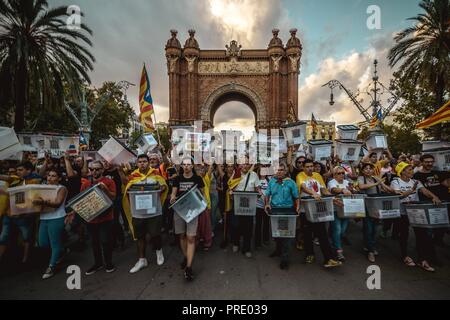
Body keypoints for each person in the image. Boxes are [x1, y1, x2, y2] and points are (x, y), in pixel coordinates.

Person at [119, 154, 168, 273]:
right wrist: (120, 171)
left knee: (155, 234)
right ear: (137, 163)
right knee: (140, 237)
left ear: (148, 162)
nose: (142, 163)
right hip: (138, 213)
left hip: (153, 211)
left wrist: (161, 188)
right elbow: (126, 185)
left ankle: (159, 251)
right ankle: (142, 260)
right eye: (140, 162)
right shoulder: (133, 176)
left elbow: (164, 185)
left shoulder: (155, 173)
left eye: (144, 161)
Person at [67, 160, 117, 275]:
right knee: (94, 242)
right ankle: (98, 263)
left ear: (102, 170)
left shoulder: (108, 181)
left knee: (105, 241)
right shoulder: (85, 184)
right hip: (91, 218)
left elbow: (113, 197)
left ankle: (108, 262)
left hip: (106, 218)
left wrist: (105, 189)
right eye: (92, 169)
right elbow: (81, 200)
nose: (94, 171)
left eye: (97, 169)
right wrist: (73, 213)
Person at [391, 162, 442, 272]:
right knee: (404, 234)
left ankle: (422, 259)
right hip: (402, 212)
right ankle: (405, 256)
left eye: (411, 169)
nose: (411, 171)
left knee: (421, 234)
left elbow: (425, 191)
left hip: (415, 211)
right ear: (402, 171)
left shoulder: (415, 181)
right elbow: (398, 195)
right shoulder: (395, 181)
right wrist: (411, 191)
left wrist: (434, 197)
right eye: (409, 169)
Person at [296, 159, 342, 268]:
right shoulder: (300, 175)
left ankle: (329, 258)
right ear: (303, 167)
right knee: (307, 233)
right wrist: (313, 193)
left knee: (322, 233)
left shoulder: (317, 175)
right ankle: (309, 254)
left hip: (318, 209)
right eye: (307, 166)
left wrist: (332, 198)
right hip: (305, 209)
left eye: (311, 166)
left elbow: (323, 189)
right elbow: (303, 187)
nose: (310, 168)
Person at [170, 157, 205, 281]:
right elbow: (173, 194)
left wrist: (201, 204)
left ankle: (189, 268)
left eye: (188, 164)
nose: (186, 166)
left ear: (192, 166)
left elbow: (202, 195)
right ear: (181, 166)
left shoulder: (198, 179)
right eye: (184, 164)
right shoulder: (177, 179)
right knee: (182, 236)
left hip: (193, 212)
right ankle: (186, 256)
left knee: (191, 237)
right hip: (179, 211)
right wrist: (172, 198)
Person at [0, 161, 42, 265]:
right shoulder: (15, 179)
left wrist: (7, 192)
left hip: (23, 216)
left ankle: (25, 258)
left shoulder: (35, 182)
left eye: (20, 170)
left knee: (26, 237)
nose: (17, 172)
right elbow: (4, 178)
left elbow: (32, 198)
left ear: (29, 170)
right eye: (17, 170)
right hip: (9, 214)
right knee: (3, 237)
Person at [32, 169, 68, 279]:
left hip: (57, 217)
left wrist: (42, 202)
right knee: (42, 243)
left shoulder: (62, 188)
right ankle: (62, 251)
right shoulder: (42, 187)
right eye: (48, 175)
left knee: (54, 244)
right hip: (44, 218)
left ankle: (51, 267)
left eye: (53, 176)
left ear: (59, 178)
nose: (50, 178)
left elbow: (57, 203)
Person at [357, 162, 395, 262]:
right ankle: (370, 250)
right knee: (368, 228)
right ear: (363, 171)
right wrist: (376, 183)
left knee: (375, 228)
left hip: (377, 206)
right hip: (366, 207)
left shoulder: (376, 178)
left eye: (370, 168)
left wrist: (395, 191)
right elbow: (361, 187)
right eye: (366, 169)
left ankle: (369, 245)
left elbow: (385, 187)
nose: (368, 170)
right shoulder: (361, 178)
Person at [265, 163, 300, 269]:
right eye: (277, 170)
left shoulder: (291, 182)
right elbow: (267, 194)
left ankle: (285, 259)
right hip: (275, 209)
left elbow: (296, 196)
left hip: (288, 210)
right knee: (277, 233)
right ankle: (278, 250)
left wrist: (298, 207)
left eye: (281, 170)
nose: (279, 172)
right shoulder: (271, 182)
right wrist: (267, 203)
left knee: (286, 235)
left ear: (285, 171)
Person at [414, 154, 450, 249]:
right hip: (428, 204)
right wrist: (434, 197)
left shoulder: (437, 173)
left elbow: (446, 184)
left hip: (443, 203)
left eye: (431, 161)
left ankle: (438, 240)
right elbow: (422, 190)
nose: (430, 163)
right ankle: (428, 249)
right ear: (421, 162)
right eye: (427, 162)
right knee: (429, 228)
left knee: (442, 225)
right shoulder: (417, 175)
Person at [229, 160, 261, 258]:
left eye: (247, 164)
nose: (245, 166)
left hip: (249, 205)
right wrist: (231, 192)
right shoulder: (235, 174)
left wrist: (259, 193)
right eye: (243, 163)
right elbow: (231, 187)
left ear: (250, 165)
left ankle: (247, 248)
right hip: (237, 203)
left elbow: (257, 188)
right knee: (236, 225)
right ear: (239, 164)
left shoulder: (254, 175)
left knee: (248, 227)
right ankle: (236, 243)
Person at [328, 166, 353, 261]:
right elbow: (334, 189)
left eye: (343, 173)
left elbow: (353, 191)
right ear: (334, 175)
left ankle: (334, 241)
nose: (341, 175)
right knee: (338, 230)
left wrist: (352, 189)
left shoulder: (347, 182)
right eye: (339, 173)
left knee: (342, 231)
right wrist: (342, 190)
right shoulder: (331, 182)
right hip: (335, 209)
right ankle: (339, 251)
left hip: (346, 209)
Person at [195, 164, 213, 251]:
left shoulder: (206, 179)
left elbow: (210, 169)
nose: (200, 171)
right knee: (197, 226)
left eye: (202, 170)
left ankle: (207, 242)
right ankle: (197, 241)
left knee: (206, 226)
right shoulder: (193, 179)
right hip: (195, 207)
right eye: (198, 169)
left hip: (205, 206)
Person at [255, 165, 271, 248]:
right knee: (258, 224)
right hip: (258, 205)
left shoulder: (269, 180)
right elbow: (255, 192)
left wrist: (267, 201)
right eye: (261, 171)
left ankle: (266, 239)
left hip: (267, 205)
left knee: (266, 223)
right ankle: (257, 242)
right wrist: (258, 194)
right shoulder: (256, 180)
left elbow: (271, 192)